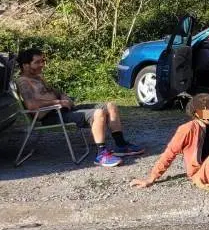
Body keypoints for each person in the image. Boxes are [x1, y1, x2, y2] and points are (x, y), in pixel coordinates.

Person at [15, 48, 143, 167]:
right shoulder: (23, 82)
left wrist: (64, 97)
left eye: (43, 61)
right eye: (37, 62)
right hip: (52, 116)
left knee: (110, 106)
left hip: (63, 109)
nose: (42, 64)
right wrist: (57, 101)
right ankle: (101, 155)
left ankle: (121, 145)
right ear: (26, 65)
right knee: (98, 113)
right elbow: (31, 105)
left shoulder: (38, 77)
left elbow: (56, 91)